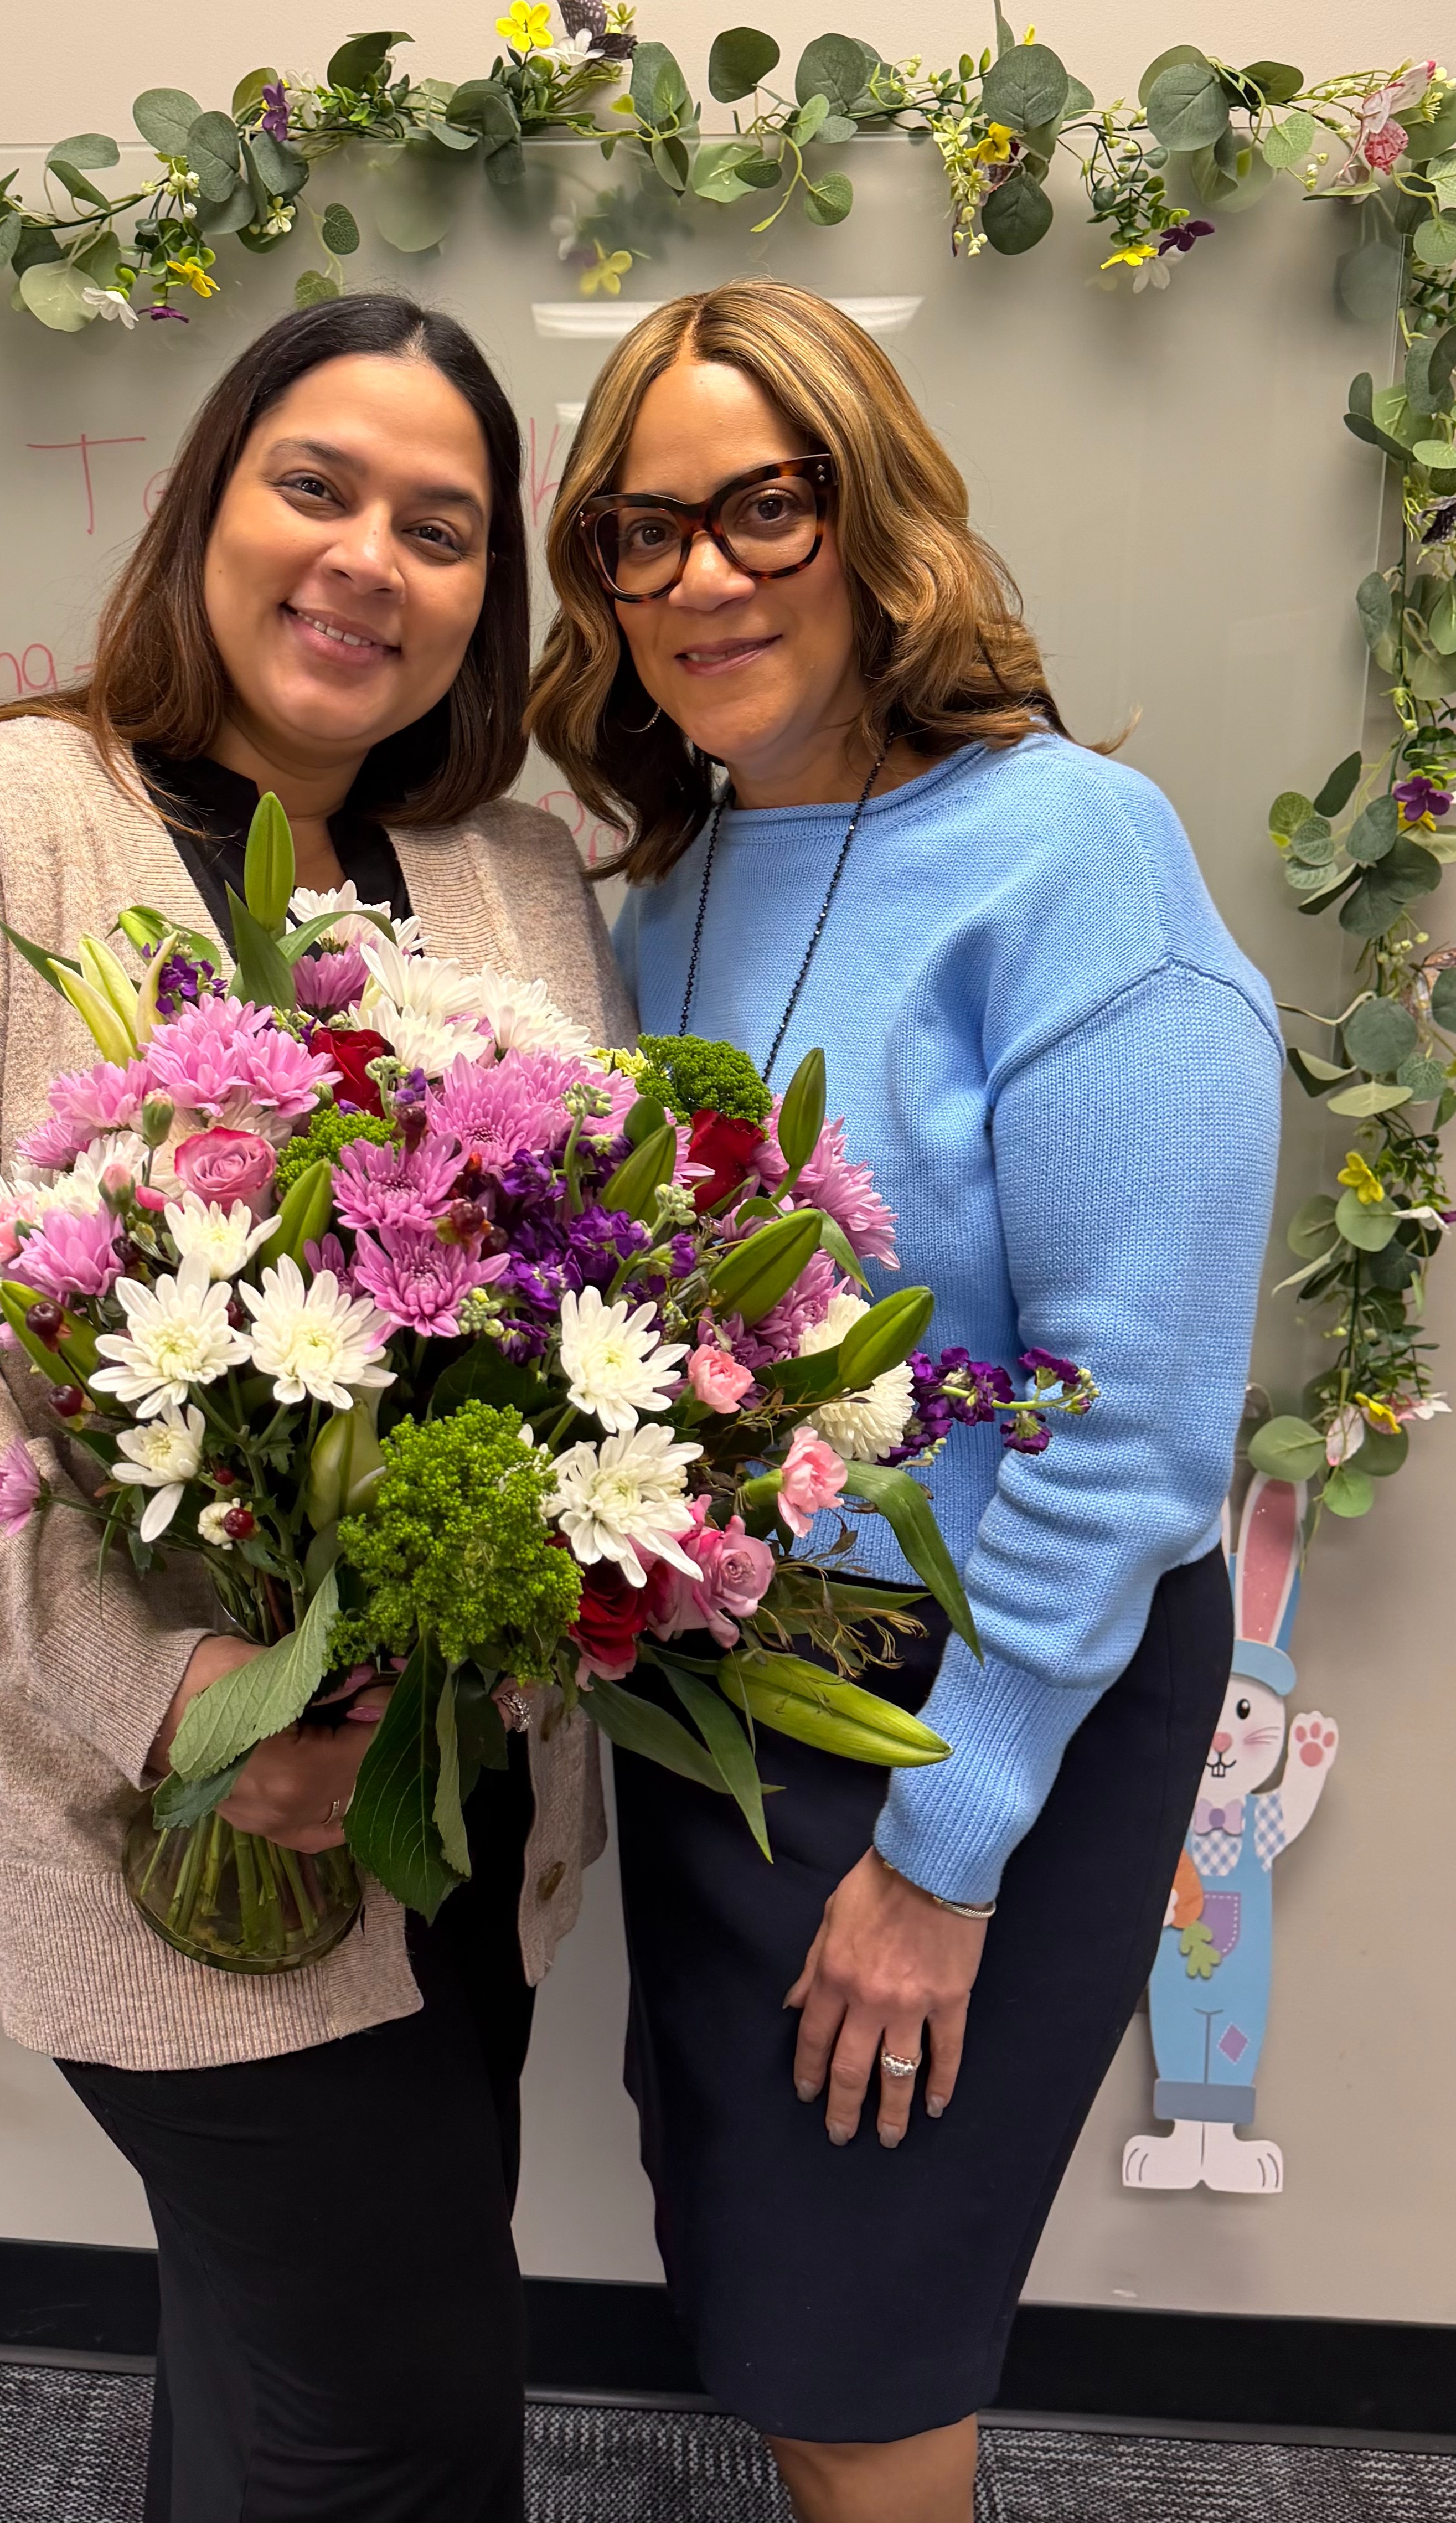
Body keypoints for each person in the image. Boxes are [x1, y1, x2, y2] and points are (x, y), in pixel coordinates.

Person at [0, 293, 628, 2523]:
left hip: (467, 1827)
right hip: (161, 1830)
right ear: (203, 505)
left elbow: (593, 1272)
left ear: (484, 597)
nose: (368, 558)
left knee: (284, 2375)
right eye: (314, 485)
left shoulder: (513, 876)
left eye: (438, 526)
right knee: (389, 2431)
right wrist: (178, 1692)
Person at [529, 278, 1281, 2523]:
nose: (702, 577)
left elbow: (1129, 1422)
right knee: (771, 2296)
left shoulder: (1070, 855)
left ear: (878, 520)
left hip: (973, 1711)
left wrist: (943, 1850)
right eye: (636, 533)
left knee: (862, 2352)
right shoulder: (663, 890)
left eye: (763, 505)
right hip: (729, 1697)